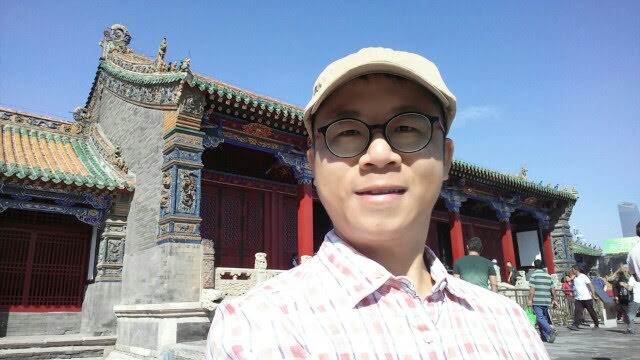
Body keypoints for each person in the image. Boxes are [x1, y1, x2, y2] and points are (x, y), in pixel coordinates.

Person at [205, 47, 548, 358]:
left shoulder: (510, 326)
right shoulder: (256, 329)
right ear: (312, 164)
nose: (380, 154)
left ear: (446, 158)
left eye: (408, 128)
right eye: (347, 132)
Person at [528, 259, 558, 343]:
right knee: (543, 318)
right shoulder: (548, 276)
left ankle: (550, 331)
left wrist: (530, 300)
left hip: (537, 300)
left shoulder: (534, 275)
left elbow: (532, 290)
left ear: (534, 266)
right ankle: (544, 337)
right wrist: (555, 299)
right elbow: (553, 289)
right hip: (546, 300)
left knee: (539, 317)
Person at [568, 265, 600, 331]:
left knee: (591, 312)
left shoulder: (583, 276)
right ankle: (575, 325)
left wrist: (593, 295)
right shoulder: (575, 278)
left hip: (587, 298)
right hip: (578, 299)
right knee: (577, 312)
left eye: (572, 270)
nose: (572, 271)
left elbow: (590, 285)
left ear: (575, 270)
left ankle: (596, 324)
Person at [620, 268, 640, 334]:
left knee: (631, 315)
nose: (627, 271)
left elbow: (629, 288)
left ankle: (630, 329)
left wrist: (623, 284)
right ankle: (629, 329)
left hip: (634, 299)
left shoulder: (632, 278)